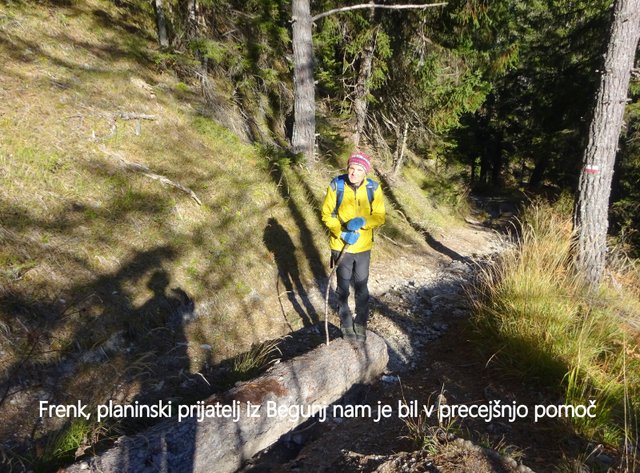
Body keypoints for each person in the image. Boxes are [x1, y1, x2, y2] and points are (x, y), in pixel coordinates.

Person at [321, 151, 385, 341]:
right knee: (342, 288)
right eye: (351, 168)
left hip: (363, 247)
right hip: (341, 246)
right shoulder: (337, 185)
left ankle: (361, 323)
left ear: (365, 172)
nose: (354, 173)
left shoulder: (373, 188)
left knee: (362, 287)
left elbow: (380, 216)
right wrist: (340, 232)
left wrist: (363, 222)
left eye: (359, 170)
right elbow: (326, 215)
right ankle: (346, 324)